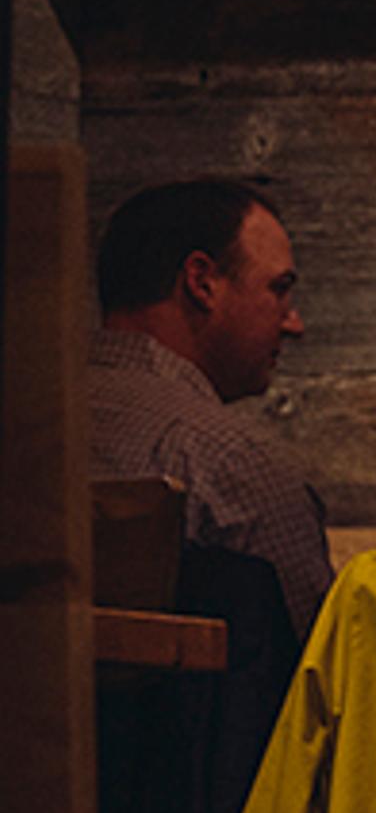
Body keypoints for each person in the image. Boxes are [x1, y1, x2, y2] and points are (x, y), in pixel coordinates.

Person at [88, 176, 331, 637]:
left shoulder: (27, 426)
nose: (294, 323)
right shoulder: (231, 463)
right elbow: (319, 678)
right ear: (201, 282)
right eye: (279, 289)